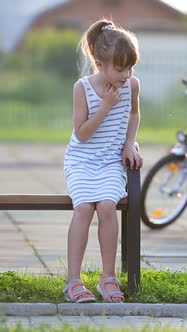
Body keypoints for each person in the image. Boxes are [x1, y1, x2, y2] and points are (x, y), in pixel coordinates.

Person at [62, 18, 143, 303]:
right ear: (99, 63)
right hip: (82, 161)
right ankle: (73, 281)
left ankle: (108, 278)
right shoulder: (82, 88)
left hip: (110, 161)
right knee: (84, 208)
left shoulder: (131, 85)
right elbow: (82, 134)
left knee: (107, 206)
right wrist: (106, 107)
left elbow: (133, 115)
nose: (126, 74)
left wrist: (129, 144)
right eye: (120, 69)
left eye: (130, 67)